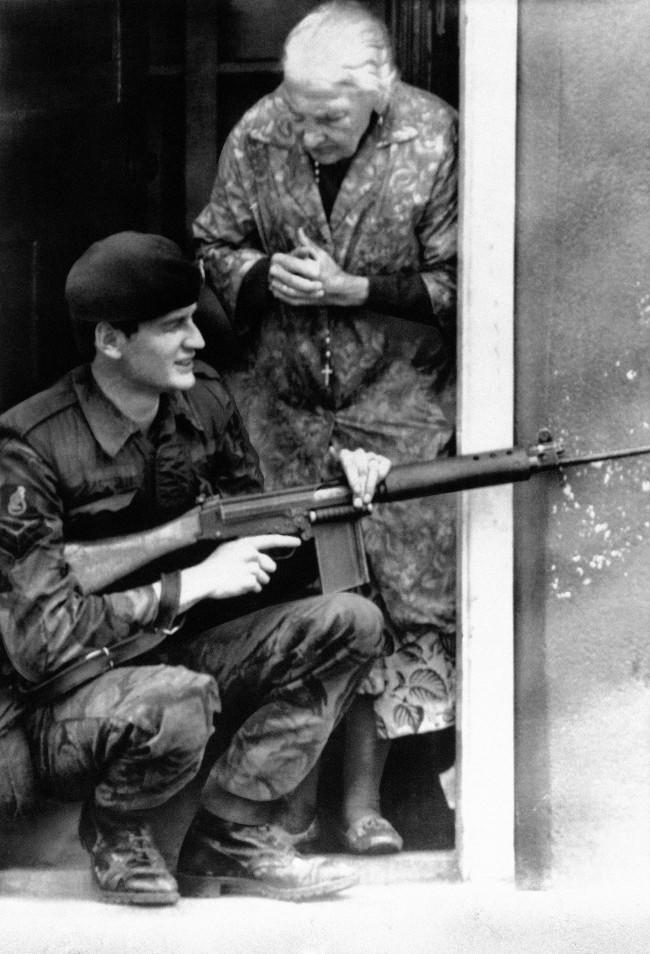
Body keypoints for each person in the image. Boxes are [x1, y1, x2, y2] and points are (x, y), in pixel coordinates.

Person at [0, 231, 390, 905]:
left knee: (350, 622)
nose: (198, 342)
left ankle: (229, 832)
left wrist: (336, 493)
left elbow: (258, 533)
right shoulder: (30, 446)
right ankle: (119, 833)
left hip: (177, 662)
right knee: (176, 697)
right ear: (111, 341)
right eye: (173, 327)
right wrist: (187, 579)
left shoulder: (204, 405)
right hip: (59, 708)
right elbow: (41, 644)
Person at [193, 0, 457, 853]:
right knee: (305, 605)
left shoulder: (437, 137)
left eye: (329, 118)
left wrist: (357, 292)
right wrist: (269, 275)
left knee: (399, 607)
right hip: (284, 416)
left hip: (399, 415)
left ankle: (364, 806)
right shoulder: (261, 130)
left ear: (378, 92)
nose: (307, 134)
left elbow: (467, 283)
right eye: (299, 114)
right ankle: (286, 807)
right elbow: (213, 248)